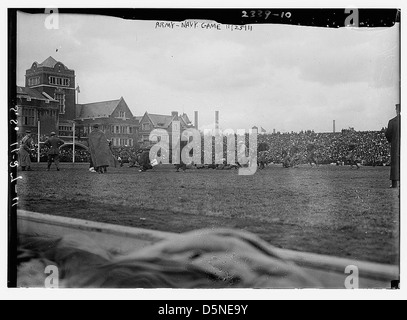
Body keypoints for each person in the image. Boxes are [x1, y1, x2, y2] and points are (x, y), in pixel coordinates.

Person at [386, 103, 401, 188]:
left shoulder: (392, 121)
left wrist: (392, 140)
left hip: (396, 146)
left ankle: (394, 184)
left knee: (395, 164)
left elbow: (388, 134)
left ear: (397, 110)